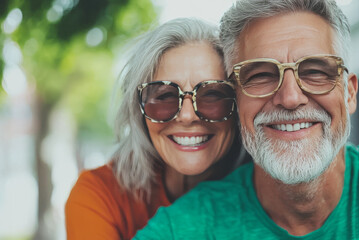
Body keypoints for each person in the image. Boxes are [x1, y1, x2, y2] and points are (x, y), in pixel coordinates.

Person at [133, 0, 359, 239]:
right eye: (261, 75)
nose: (290, 98)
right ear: (236, 100)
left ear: (349, 93)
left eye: (315, 71)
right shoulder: (188, 225)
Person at [65, 18, 248, 240]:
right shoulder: (100, 194)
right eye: (165, 97)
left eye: (212, 95)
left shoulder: (268, 193)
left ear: (238, 105)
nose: (187, 116)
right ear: (139, 110)